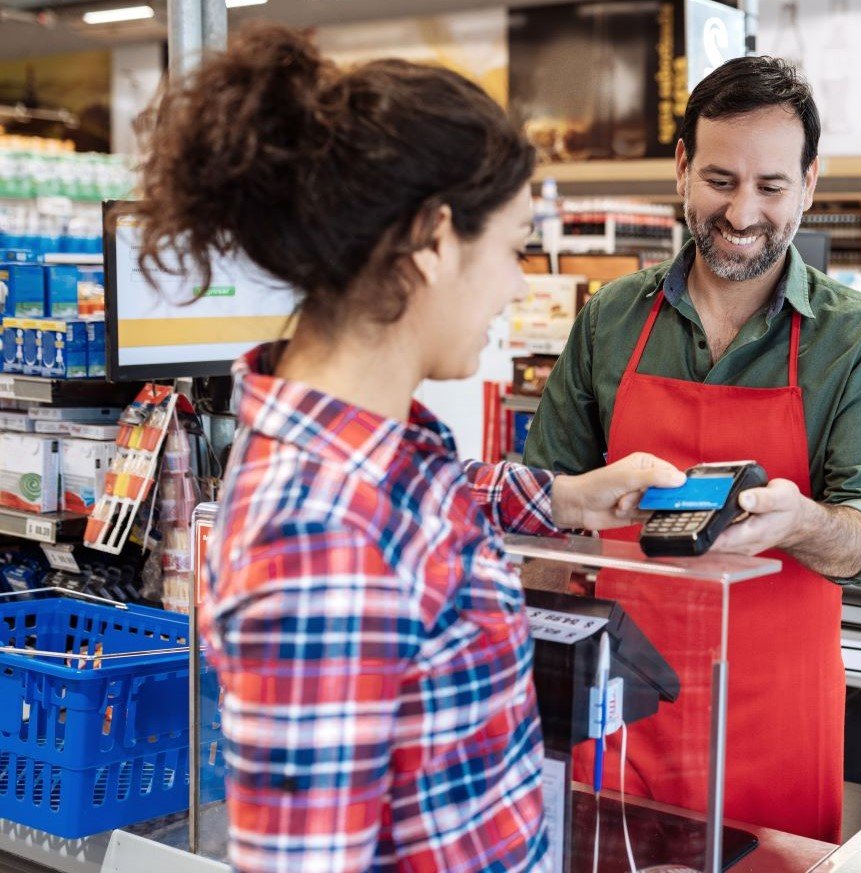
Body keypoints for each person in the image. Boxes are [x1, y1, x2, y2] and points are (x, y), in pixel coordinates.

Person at [135, 26, 684, 871]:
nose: (519, 283)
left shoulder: (368, 449)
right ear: (432, 239)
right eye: (512, 246)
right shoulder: (317, 534)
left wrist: (570, 498)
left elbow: (426, 505)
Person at [523, 56, 861, 841]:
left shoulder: (856, 338)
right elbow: (541, 505)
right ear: (681, 169)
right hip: (619, 707)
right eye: (720, 179)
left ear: (809, 183)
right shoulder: (610, 320)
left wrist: (803, 522)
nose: (743, 211)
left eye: (771, 186)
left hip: (773, 719)